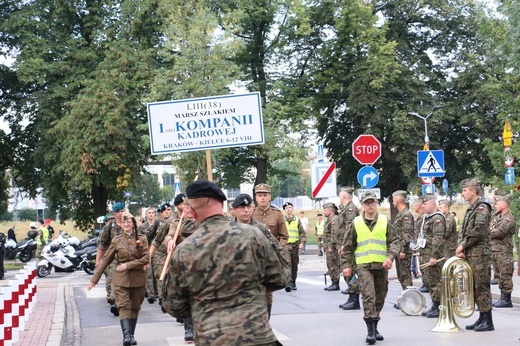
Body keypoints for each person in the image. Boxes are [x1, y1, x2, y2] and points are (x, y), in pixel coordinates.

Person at [163, 180, 288, 345]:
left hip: (213, 338)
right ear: (223, 204)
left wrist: (202, 303)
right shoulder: (253, 236)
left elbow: (174, 306)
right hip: (256, 336)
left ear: (192, 212)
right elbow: (281, 278)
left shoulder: (184, 250)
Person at [342, 191, 399, 345]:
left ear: (377, 203)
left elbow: (394, 242)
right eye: (367, 202)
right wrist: (347, 266)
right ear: (362, 205)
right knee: (369, 296)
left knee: (380, 297)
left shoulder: (385, 221)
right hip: (363, 266)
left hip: (381, 265)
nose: (370, 205)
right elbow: (347, 247)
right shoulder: (356, 223)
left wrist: (390, 257)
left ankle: (375, 324)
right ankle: (370, 331)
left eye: (372, 202)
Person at [88, 212, 149, 346]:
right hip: (120, 280)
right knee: (123, 306)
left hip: (138, 278)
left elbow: (146, 258)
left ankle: (131, 334)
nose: (126, 224)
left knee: (135, 307)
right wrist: (94, 280)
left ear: (133, 223)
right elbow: (105, 261)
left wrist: (128, 265)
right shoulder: (117, 240)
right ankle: (126, 335)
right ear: (121, 224)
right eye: (124, 222)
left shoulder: (142, 239)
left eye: (129, 222)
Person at [232, 193, 290, 318]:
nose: (246, 210)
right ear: (234, 210)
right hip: (235, 275)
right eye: (242, 207)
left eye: (248, 207)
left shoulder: (261, 228)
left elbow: (276, 247)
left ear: (252, 207)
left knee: (266, 297)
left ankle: (265, 322)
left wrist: (284, 268)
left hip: (258, 272)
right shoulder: (227, 228)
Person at [456, 177, 494, 332]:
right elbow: (464, 230)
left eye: (465, 190)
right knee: (474, 288)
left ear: (473, 191)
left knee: (482, 286)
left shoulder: (482, 208)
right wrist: (461, 246)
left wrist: (463, 245)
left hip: (480, 255)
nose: (463, 193)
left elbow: (478, 231)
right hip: (471, 254)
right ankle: (481, 318)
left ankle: (488, 320)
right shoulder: (471, 208)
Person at [252, 182, 289, 311]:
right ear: (256, 198)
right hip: (253, 258)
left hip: (270, 258)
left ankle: (266, 319)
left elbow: (284, 236)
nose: (262, 198)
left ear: (270, 197)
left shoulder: (277, 214)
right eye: (260, 195)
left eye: (265, 195)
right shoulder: (250, 214)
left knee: (268, 291)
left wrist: (278, 251)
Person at [417, 194, 446, 318]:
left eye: (426, 203)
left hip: (433, 255)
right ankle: (434, 304)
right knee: (429, 281)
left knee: (435, 281)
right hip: (426, 252)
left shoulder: (437, 218)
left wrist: (434, 256)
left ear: (433, 204)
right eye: (422, 203)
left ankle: (438, 306)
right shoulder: (427, 218)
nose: (423, 206)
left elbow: (437, 238)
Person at [96, 202, 125, 315]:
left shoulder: (129, 224)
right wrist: (99, 260)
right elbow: (102, 245)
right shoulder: (109, 227)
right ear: (114, 213)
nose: (120, 213)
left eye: (122, 210)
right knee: (114, 279)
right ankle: (115, 302)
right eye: (118, 211)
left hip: (128, 258)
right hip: (113, 258)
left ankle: (124, 302)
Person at [490, 192, 515, 308]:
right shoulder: (496, 216)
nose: (495, 205)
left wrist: (486, 233)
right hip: (495, 250)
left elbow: (499, 232)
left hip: (504, 251)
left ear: (504, 205)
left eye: (497, 203)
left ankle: (506, 299)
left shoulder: (508, 219)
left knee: (505, 274)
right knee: (498, 275)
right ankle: (502, 297)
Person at [338, 186, 361, 310]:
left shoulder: (351, 209)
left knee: (350, 272)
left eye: (340, 196)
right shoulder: (346, 209)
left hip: (349, 247)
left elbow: (349, 230)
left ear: (343, 196)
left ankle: (355, 298)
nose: (339, 198)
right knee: (348, 273)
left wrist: (345, 245)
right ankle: (351, 297)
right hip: (346, 246)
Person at [391, 190, 415, 303]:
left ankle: (410, 300)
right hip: (399, 249)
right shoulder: (401, 214)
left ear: (398, 200)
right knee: (402, 275)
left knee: (405, 275)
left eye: (393, 200)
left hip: (403, 251)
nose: (392, 202)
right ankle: (406, 298)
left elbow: (407, 235)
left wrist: (402, 250)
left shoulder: (406, 215)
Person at [283, 202, 306, 291]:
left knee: (294, 264)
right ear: (285, 210)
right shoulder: (282, 220)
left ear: (292, 209)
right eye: (286, 208)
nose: (288, 209)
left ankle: (293, 281)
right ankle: (288, 282)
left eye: (290, 207)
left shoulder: (297, 220)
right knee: (287, 263)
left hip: (295, 245)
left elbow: (302, 233)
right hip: (286, 245)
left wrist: (302, 243)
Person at [138, 206, 157, 304]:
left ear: (155, 214)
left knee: (156, 273)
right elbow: (139, 239)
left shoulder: (159, 225)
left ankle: (158, 292)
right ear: (146, 214)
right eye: (149, 213)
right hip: (147, 251)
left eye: (152, 213)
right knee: (148, 273)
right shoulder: (142, 227)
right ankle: (151, 294)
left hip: (157, 252)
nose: (150, 214)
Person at [322, 203, 341, 292]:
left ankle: (335, 283)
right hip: (328, 247)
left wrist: (330, 246)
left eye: (325, 210)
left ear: (331, 210)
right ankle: (333, 282)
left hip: (332, 248)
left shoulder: (334, 219)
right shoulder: (329, 220)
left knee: (334, 265)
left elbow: (334, 234)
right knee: (330, 265)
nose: (324, 212)